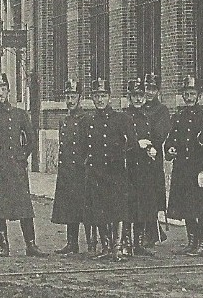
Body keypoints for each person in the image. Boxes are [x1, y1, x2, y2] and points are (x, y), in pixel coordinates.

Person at [0, 73, 45, 257]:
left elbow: (31, 139)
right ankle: (4, 246)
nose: (1, 93)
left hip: (15, 167)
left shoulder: (19, 115)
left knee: (23, 206)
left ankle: (31, 244)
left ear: (9, 91)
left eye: (4, 89)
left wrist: (22, 156)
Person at [72, 78, 135, 261]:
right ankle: (106, 246)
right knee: (99, 210)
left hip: (115, 172)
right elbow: (83, 147)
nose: (100, 100)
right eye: (97, 96)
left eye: (103, 96)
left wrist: (121, 155)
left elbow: (131, 144)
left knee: (117, 209)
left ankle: (118, 246)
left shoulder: (121, 119)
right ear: (92, 98)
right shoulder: (87, 121)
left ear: (109, 97)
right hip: (96, 172)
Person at [165, 76, 203, 256]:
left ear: (198, 95)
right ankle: (192, 240)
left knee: (201, 207)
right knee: (186, 206)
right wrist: (169, 150)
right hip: (183, 169)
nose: (189, 97)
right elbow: (170, 140)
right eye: (186, 94)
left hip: (199, 170)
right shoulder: (178, 117)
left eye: (192, 94)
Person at [51, 79, 90, 254]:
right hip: (67, 171)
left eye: (73, 96)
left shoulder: (86, 120)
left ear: (79, 98)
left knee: (86, 208)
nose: (70, 100)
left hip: (82, 171)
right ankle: (71, 243)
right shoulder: (64, 121)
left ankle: (92, 243)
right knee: (69, 208)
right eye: (67, 96)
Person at [123, 77, 160, 257]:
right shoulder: (123, 117)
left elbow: (152, 137)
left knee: (142, 206)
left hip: (144, 169)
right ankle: (126, 242)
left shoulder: (146, 117)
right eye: (134, 95)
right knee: (129, 206)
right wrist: (136, 144)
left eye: (140, 95)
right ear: (129, 98)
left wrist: (151, 149)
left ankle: (138, 243)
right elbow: (120, 142)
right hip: (128, 167)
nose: (138, 99)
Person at [140, 73, 172, 247]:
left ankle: (152, 231)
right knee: (140, 193)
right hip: (139, 158)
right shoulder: (141, 108)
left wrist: (150, 144)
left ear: (158, 91)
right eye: (147, 89)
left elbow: (161, 133)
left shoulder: (162, 111)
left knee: (151, 194)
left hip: (153, 156)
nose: (149, 92)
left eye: (153, 89)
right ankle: (149, 230)